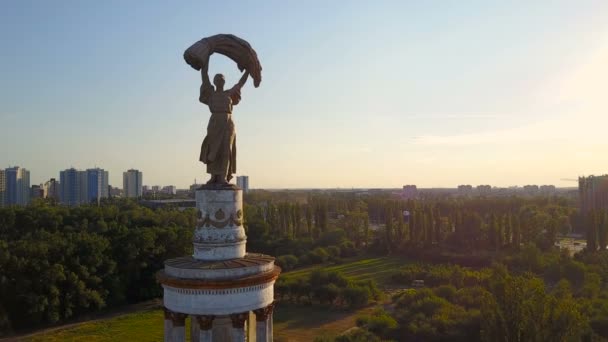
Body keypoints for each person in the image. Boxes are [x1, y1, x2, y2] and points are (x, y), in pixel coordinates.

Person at [198, 55, 249, 185]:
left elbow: (240, 83)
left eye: (222, 79)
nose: (220, 80)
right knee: (213, 148)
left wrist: (248, 70)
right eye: (217, 79)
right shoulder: (210, 94)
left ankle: (222, 176)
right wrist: (206, 56)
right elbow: (204, 74)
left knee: (226, 149)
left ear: (224, 82)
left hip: (228, 123)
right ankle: (214, 176)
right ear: (214, 82)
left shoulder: (229, 94)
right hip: (215, 123)